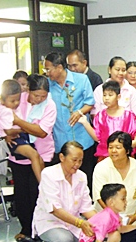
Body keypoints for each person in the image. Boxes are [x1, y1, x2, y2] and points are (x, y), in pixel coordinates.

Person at [8, 74, 57, 242]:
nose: (40, 99)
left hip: (43, 155)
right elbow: (7, 125)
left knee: (37, 194)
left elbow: (42, 132)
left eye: (43, 96)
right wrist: (19, 128)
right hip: (19, 157)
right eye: (36, 95)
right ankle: (26, 231)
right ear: (28, 90)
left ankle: (40, 231)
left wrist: (19, 124)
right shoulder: (17, 100)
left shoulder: (50, 105)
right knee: (21, 195)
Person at [32, 141, 96, 242]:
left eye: (80, 161)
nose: (77, 164)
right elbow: (54, 209)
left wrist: (101, 222)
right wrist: (81, 223)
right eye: (74, 160)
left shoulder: (81, 176)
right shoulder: (48, 174)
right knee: (63, 240)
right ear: (62, 157)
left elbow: (86, 207)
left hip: (74, 222)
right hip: (51, 221)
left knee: (93, 240)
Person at [44, 52, 96, 191]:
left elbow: (90, 102)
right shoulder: (47, 85)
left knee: (85, 179)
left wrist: (80, 112)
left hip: (82, 138)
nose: (47, 73)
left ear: (59, 67)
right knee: (63, 181)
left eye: (48, 69)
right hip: (60, 139)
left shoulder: (82, 79)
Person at [92, 131, 136, 242]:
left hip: (128, 219)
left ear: (127, 150)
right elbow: (99, 197)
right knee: (103, 239)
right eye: (110, 147)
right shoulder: (101, 168)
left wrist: (135, 216)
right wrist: (114, 217)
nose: (113, 151)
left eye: (118, 147)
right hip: (106, 217)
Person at [0, 79, 44, 182]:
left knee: (39, 158)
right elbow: (9, 131)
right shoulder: (6, 111)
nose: (16, 103)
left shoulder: (2, 106)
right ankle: (42, 183)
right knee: (34, 155)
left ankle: (45, 181)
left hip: (18, 136)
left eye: (18, 100)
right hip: (16, 139)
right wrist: (23, 130)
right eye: (13, 101)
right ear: (3, 100)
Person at [78, 81, 136, 161]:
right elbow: (97, 137)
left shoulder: (128, 114)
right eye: (104, 95)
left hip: (125, 156)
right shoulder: (100, 116)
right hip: (105, 156)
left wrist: (135, 141)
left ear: (118, 97)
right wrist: (85, 123)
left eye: (110, 95)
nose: (107, 98)